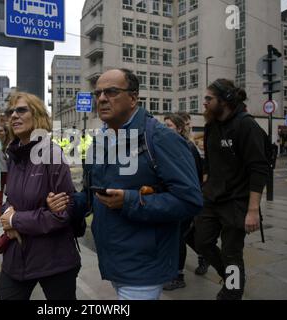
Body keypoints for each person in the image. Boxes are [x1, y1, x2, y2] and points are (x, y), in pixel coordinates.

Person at [47, 69, 202, 300]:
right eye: (98, 93)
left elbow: (190, 201)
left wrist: (130, 201)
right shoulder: (99, 141)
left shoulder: (160, 138)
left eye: (111, 92)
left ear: (133, 98)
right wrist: (66, 202)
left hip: (145, 265)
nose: (101, 99)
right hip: (113, 260)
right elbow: (90, 196)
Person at [0, 92, 80, 300]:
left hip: (54, 260)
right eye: (10, 112)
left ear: (38, 116)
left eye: (21, 110)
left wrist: (15, 220)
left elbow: (63, 214)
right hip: (16, 257)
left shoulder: (52, 155)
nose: (13, 116)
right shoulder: (13, 156)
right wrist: (7, 211)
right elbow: (9, 200)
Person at [196, 79, 269, 300]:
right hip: (211, 198)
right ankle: (229, 276)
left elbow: (259, 168)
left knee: (231, 253)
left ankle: (232, 291)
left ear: (225, 100)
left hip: (237, 202)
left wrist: (253, 210)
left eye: (209, 99)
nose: (204, 103)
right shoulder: (211, 125)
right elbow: (209, 160)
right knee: (201, 241)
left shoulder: (246, 125)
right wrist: (206, 183)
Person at [162, 114, 208, 290]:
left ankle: (178, 276)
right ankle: (204, 255)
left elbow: (194, 177)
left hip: (184, 200)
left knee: (178, 237)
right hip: (173, 199)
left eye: (169, 125)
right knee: (185, 235)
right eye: (164, 125)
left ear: (179, 129)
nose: (165, 128)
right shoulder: (170, 145)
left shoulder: (187, 147)